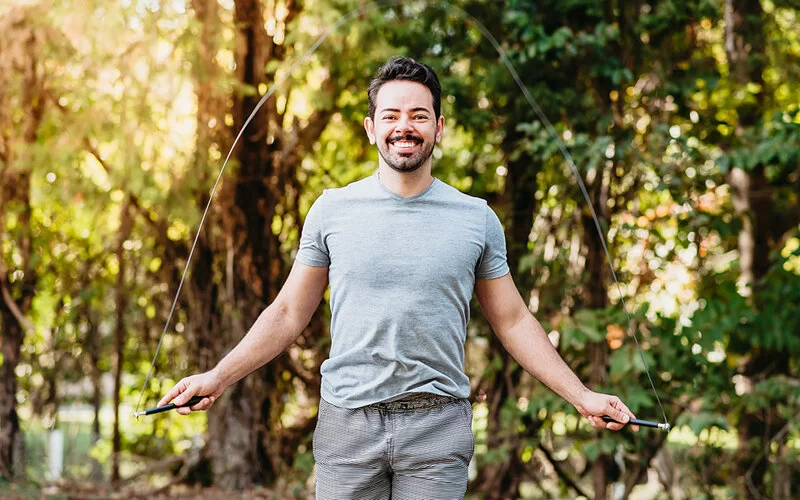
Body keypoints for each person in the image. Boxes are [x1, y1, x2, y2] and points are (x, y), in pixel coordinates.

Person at [158, 56, 637, 499]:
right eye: (390, 116)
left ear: (439, 127)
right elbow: (287, 313)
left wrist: (582, 396)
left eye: (418, 115)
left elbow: (512, 320)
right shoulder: (331, 211)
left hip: (438, 428)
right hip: (347, 426)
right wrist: (218, 376)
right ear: (371, 128)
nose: (403, 126)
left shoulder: (476, 218)